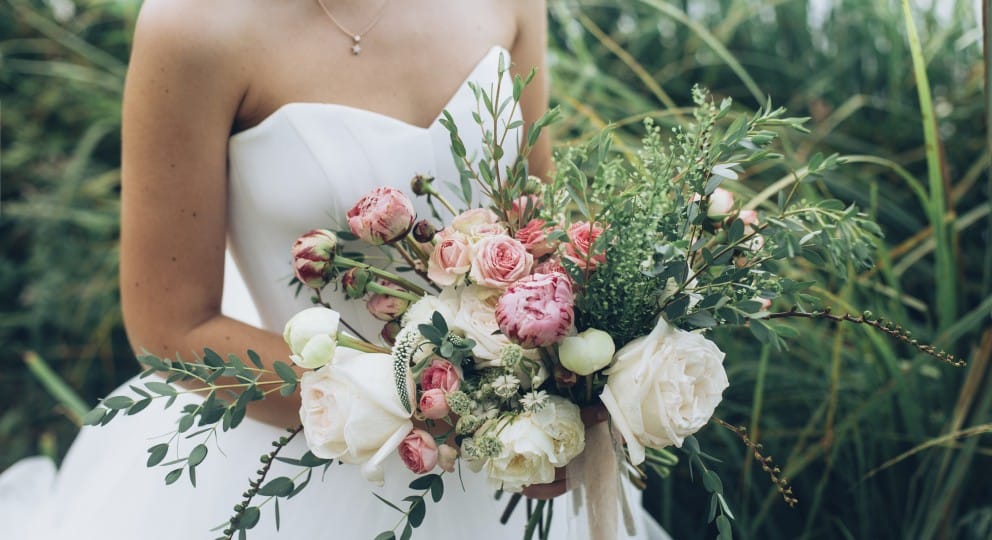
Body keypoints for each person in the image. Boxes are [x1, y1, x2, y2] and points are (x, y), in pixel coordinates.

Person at [0, 1, 671, 538]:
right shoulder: (193, 26)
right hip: (302, 455)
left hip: (511, 468)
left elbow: (535, 226)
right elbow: (170, 325)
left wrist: (573, 379)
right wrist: (442, 412)